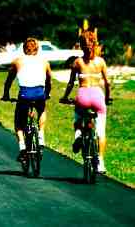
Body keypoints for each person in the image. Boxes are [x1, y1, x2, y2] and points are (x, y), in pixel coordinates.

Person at [59, 30, 112, 173]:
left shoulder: (77, 62)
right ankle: (100, 162)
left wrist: (65, 97)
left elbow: (70, 84)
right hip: (97, 96)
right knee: (101, 131)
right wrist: (107, 98)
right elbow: (107, 83)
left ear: (81, 46)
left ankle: (78, 135)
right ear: (95, 44)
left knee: (78, 119)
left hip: (82, 96)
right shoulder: (101, 62)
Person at [1, 37, 52, 161]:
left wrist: (6, 94)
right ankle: (40, 136)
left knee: (18, 123)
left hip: (24, 95)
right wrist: (47, 93)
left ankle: (23, 148)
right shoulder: (44, 62)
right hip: (39, 93)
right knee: (42, 110)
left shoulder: (17, 61)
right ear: (37, 49)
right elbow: (49, 81)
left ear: (24, 49)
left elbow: (9, 81)